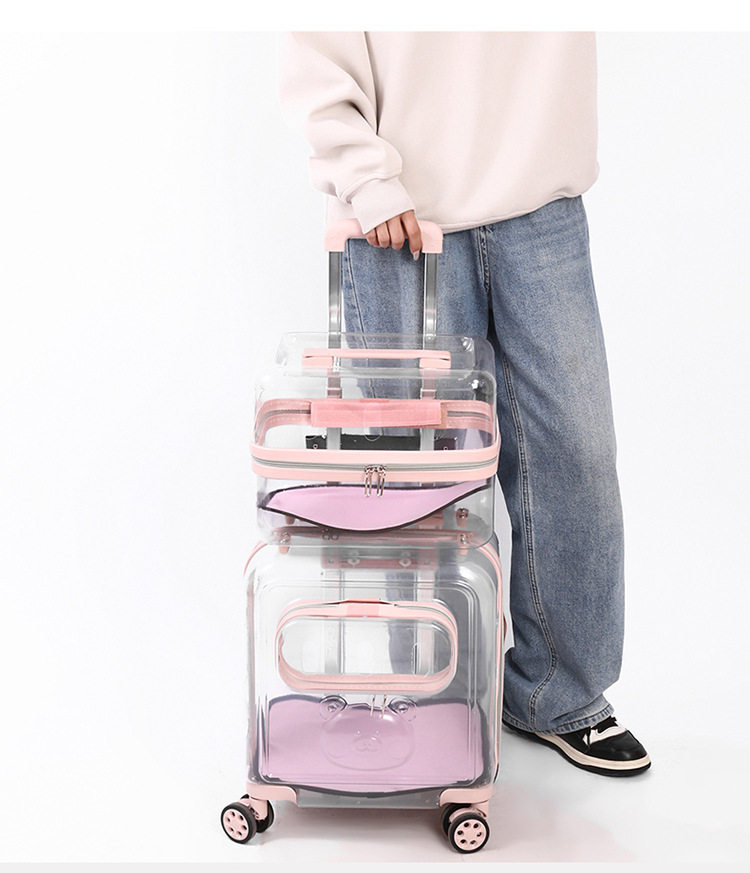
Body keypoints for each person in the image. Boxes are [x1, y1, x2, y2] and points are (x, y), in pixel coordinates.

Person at [279, 31, 650, 776]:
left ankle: (556, 694)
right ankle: (435, 696)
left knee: (576, 453)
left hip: (542, 202)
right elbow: (317, 41)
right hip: (398, 217)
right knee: (424, 483)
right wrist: (365, 176)